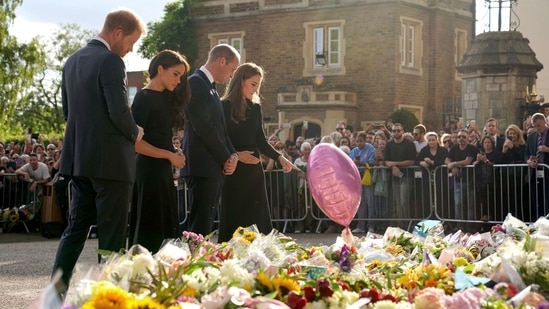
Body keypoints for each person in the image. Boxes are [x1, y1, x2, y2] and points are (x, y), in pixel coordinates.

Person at [51, 9, 146, 294]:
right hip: (112, 163)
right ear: (117, 32)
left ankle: (54, 294)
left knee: (75, 230)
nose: (130, 50)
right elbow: (118, 111)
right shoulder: (111, 61)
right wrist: (135, 132)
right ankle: (109, 295)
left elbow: (69, 112)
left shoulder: (72, 61)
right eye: (131, 42)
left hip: (80, 161)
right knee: (113, 234)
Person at [218, 63, 294, 242]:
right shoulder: (222, 106)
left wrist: (279, 157)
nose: (256, 89)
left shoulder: (255, 108)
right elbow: (220, 139)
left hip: (253, 173)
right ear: (240, 81)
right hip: (233, 169)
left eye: (258, 85)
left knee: (257, 216)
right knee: (234, 217)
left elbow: (260, 141)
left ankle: (261, 256)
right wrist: (236, 154)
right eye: (253, 84)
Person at [128, 50, 189, 253]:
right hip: (148, 170)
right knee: (150, 224)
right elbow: (136, 144)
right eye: (175, 74)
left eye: (181, 76)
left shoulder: (166, 99)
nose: (178, 81)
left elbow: (160, 137)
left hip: (163, 169)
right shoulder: (143, 98)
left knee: (166, 224)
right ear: (160, 69)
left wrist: (174, 153)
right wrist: (169, 155)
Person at [181, 44, 240, 237]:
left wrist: (232, 154)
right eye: (232, 69)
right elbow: (203, 126)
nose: (231, 76)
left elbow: (221, 128)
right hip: (201, 166)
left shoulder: (211, 88)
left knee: (205, 225)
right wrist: (225, 156)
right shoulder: (195, 83)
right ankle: (190, 264)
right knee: (199, 226)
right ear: (222, 61)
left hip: (212, 166)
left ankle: (196, 263)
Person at [525, 113, 549, 221]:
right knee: (536, 199)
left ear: (545, 122)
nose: (537, 128)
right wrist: (529, 161)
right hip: (535, 173)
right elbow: (526, 153)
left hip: (547, 171)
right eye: (535, 126)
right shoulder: (531, 137)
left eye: (539, 125)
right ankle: (539, 221)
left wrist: (547, 149)